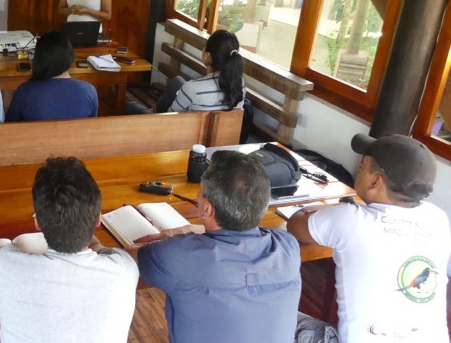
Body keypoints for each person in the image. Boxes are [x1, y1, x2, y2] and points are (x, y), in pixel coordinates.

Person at [287, 134, 451, 342]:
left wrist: (336, 209)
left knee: (268, 313)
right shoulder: (437, 217)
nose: (358, 169)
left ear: (375, 181)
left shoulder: (350, 220)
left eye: (361, 167)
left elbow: (294, 226)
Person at [135, 150, 301, 343]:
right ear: (263, 206)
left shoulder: (177, 255)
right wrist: (195, 229)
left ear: (207, 208)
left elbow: (129, 258)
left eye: (199, 193)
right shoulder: (288, 246)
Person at [0, 157, 139, 343]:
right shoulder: (124, 268)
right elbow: (102, 250)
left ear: (37, 223)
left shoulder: (3, 263)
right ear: (98, 220)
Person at [127, 29, 244, 114]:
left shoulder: (193, 88)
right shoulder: (239, 83)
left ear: (207, 56)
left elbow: (170, 118)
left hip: (182, 137)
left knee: (131, 106)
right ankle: (156, 110)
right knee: (177, 81)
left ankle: (154, 111)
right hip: (220, 138)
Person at [5, 31, 97, 121]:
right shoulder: (89, 91)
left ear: (38, 59)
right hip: (78, 136)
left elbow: (10, 126)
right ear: (71, 57)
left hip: (36, 136)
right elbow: (92, 125)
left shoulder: (25, 91)